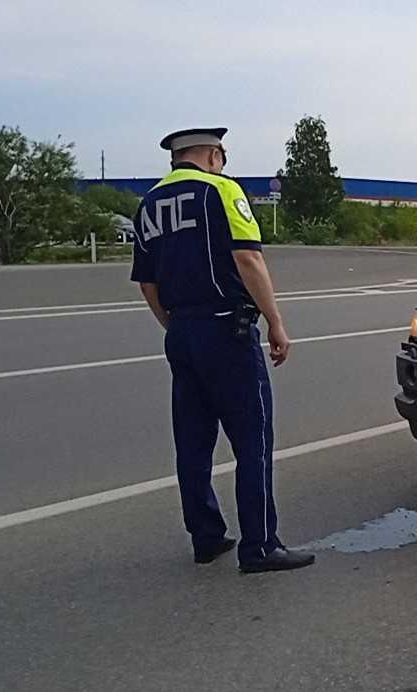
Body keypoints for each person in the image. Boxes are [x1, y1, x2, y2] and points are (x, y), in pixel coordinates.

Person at [131, 127, 314, 573]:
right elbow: (248, 259)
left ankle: (206, 537)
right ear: (212, 154)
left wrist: (173, 325)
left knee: (193, 442)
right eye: (222, 156)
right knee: (254, 439)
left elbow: (146, 280)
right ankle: (260, 546)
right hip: (226, 330)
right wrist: (275, 321)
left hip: (182, 333)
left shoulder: (149, 203)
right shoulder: (222, 191)